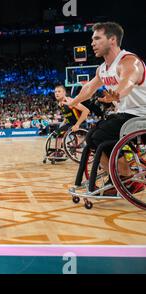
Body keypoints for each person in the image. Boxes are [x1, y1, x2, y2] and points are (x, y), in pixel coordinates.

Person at [68, 22, 146, 194]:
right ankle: (118, 178)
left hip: (141, 115)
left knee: (102, 136)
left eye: (97, 38)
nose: (92, 43)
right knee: (91, 137)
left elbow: (129, 80)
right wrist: (74, 101)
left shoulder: (129, 61)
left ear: (112, 40)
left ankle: (125, 177)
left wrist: (117, 94)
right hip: (126, 115)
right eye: (92, 39)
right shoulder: (102, 69)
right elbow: (88, 88)